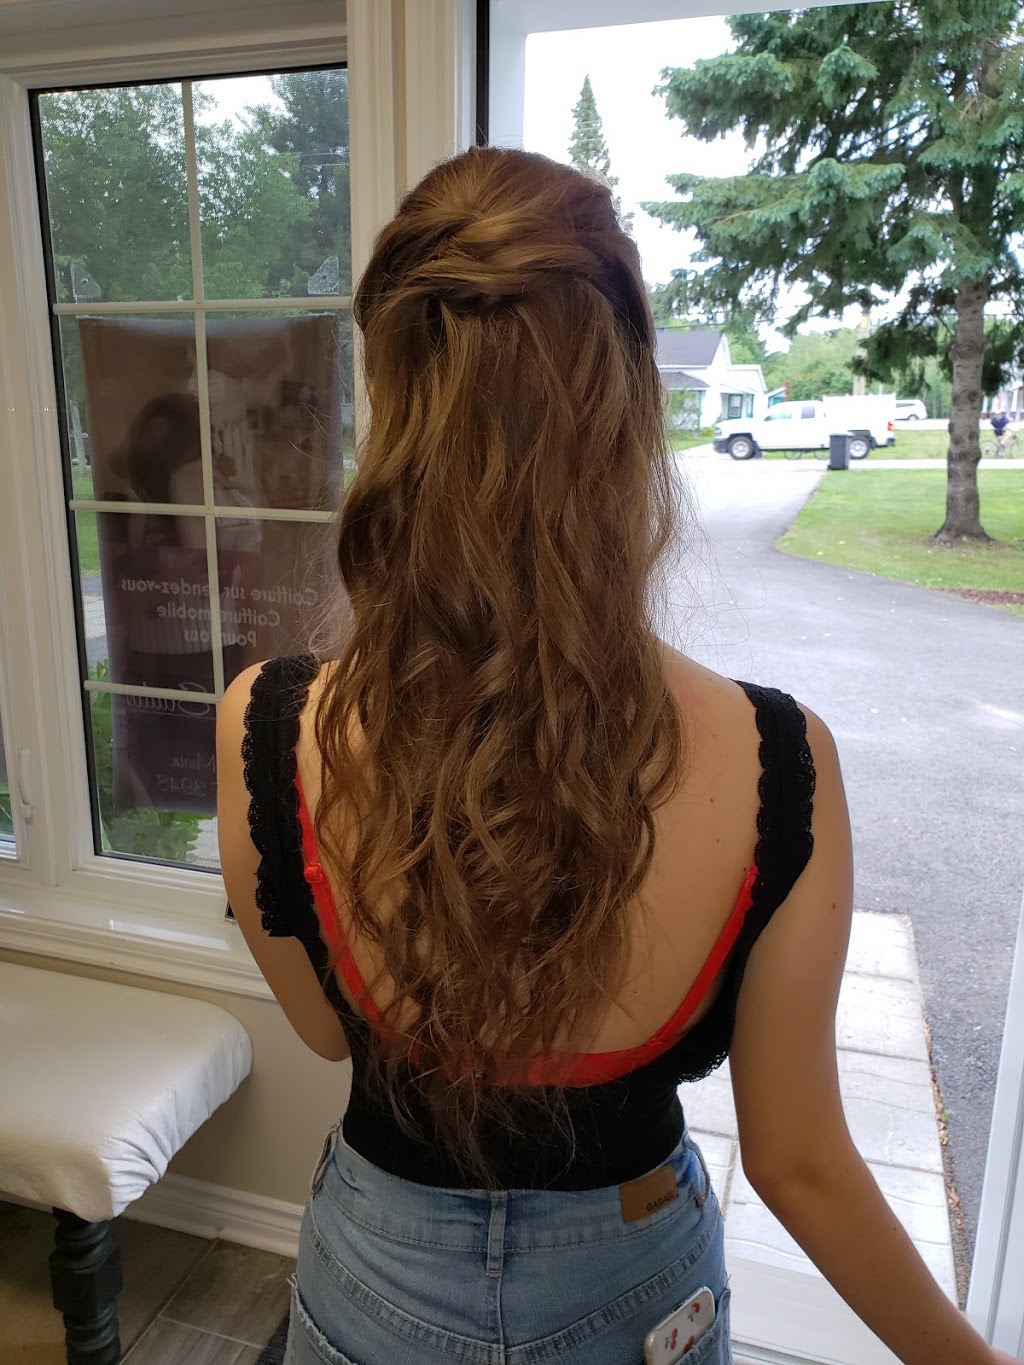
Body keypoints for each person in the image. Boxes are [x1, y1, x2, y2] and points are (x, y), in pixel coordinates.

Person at [216, 147, 1018, 1365]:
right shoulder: (776, 759)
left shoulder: (268, 726)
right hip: (637, 1295)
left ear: (386, 393)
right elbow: (799, 1161)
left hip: (373, 1273)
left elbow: (330, 1036)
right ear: (633, 398)